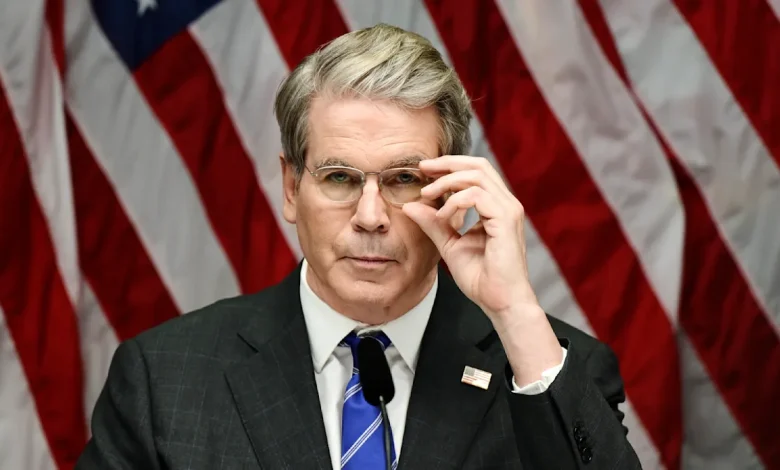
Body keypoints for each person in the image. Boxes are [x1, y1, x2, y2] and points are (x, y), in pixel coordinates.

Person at [76, 23, 642, 470]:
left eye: (404, 179)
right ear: (292, 188)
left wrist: (515, 314)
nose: (371, 217)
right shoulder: (163, 379)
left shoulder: (547, 367)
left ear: (452, 193)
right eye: (340, 178)